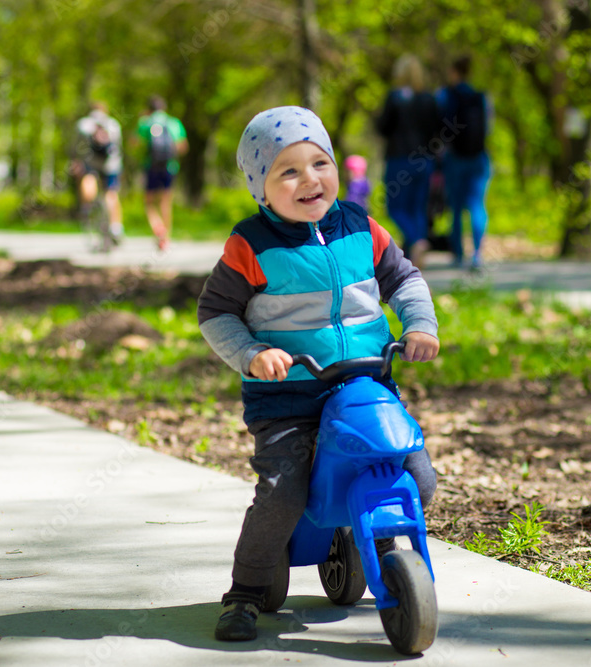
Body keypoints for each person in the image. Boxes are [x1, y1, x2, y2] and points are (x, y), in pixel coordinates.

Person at [198, 106, 440, 642]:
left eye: (319, 163)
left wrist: (419, 324)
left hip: (365, 384)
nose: (310, 179)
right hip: (288, 397)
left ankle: (379, 546)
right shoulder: (251, 244)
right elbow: (215, 313)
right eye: (288, 171)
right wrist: (252, 353)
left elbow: (404, 278)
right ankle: (244, 591)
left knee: (418, 477)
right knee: (284, 491)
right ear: (261, 189)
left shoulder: (361, 226)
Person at [375, 54, 440, 269]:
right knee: (417, 208)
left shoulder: (394, 98)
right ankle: (415, 251)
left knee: (395, 208)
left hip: (400, 159)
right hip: (424, 160)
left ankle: (416, 240)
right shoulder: (429, 99)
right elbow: (437, 131)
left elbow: (383, 127)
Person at [436, 55, 492, 270]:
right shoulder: (481, 97)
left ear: (454, 72)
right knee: (477, 205)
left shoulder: (446, 95)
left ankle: (458, 255)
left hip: (455, 158)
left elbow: (440, 127)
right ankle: (477, 254)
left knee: (457, 208)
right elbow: (488, 128)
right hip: (478, 158)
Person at [136, 95, 188, 251]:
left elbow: (135, 143)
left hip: (151, 166)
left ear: (149, 109)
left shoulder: (145, 123)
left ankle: (157, 227)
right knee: (165, 201)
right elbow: (183, 146)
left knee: (149, 202)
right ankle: (166, 237)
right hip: (170, 166)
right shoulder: (173, 123)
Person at [74, 102, 124, 241]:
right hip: (111, 164)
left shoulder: (83, 124)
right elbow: (118, 146)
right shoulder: (113, 124)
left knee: (88, 178)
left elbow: (76, 146)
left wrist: (75, 160)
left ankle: (88, 207)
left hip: (91, 162)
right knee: (111, 193)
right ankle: (116, 227)